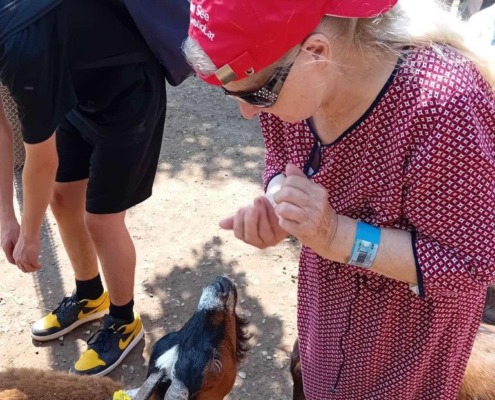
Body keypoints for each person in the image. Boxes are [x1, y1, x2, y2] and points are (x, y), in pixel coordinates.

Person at [183, 0, 495, 398]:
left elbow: (467, 265)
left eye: (255, 94)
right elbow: (280, 160)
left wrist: (334, 235)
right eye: (233, 95)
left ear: (316, 53)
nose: (248, 112)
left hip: (406, 348)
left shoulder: (443, 106)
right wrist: (281, 206)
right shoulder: (283, 83)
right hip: (326, 317)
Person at [0, 0, 191, 376]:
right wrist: (7, 217)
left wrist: (31, 235)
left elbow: (41, 160)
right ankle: (90, 296)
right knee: (61, 196)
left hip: (129, 88)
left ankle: (123, 322)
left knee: (101, 220)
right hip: (78, 85)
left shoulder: (18, 46)